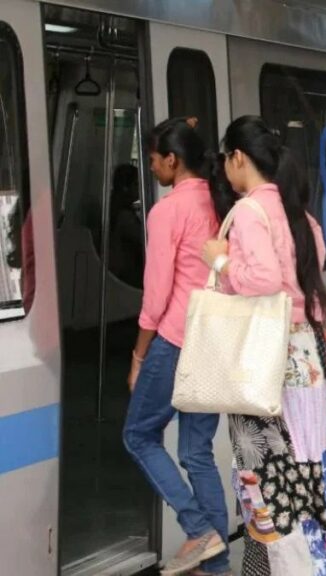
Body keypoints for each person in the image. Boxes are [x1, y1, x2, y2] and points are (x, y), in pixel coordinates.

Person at [200, 115, 326, 575]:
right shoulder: (299, 215)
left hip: (266, 362)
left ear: (238, 158)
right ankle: (311, 565)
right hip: (307, 359)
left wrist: (220, 262)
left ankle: (284, 570)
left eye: (226, 158)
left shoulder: (248, 212)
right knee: (306, 476)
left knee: (266, 485)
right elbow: (310, 275)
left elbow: (262, 280)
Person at [122, 118, 229, 576]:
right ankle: (218, 564)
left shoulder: (167, 211)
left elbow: (156, 295)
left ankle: (197, 527)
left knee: (138, 435)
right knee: (196, 453)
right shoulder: (221, 201)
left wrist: (138, 355)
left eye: (153, 159)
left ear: (172, 160)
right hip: (212, 342)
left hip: (175, 340)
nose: (151, 168)